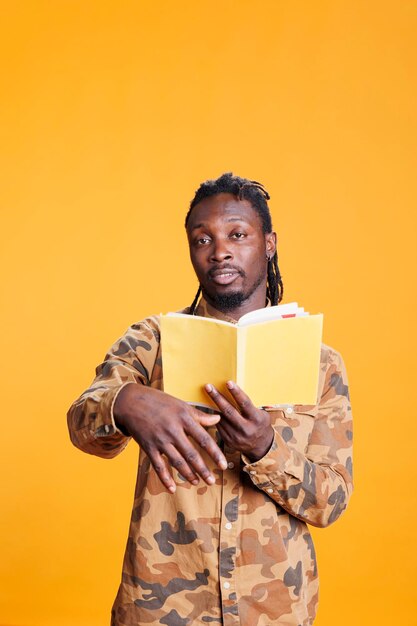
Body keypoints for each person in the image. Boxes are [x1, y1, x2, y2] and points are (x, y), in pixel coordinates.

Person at [67, 172, 353, 626]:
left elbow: (331, 501)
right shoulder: (153, 341)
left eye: (237, 234)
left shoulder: (320, 362)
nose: (219, 250)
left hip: (275, 610)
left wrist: (266, 448)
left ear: (269, 243)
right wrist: (124, 402)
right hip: (160, 609)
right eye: (203, 239)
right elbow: (83, 424)